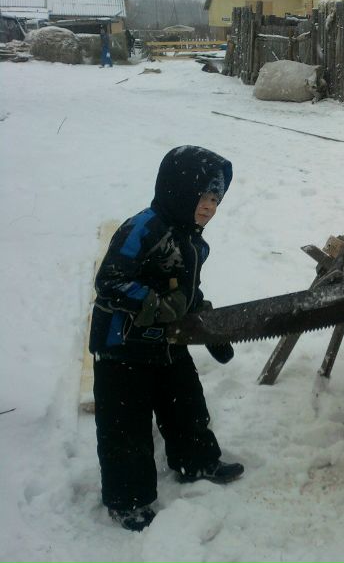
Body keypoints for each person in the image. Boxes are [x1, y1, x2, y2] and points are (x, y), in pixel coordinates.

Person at [89, 146, 243, 531]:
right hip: (122, 347)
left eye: (216, 199)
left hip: (167, 344)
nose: (209, 206)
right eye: (202, 196)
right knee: (127, 427)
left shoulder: (192, 240)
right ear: (179, 190)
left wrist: (208, 325)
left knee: (186, 404)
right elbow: (109, 282)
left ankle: (196, 461)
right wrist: (156, 305)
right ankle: (129, 501)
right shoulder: (144, 228)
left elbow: (185, 294)